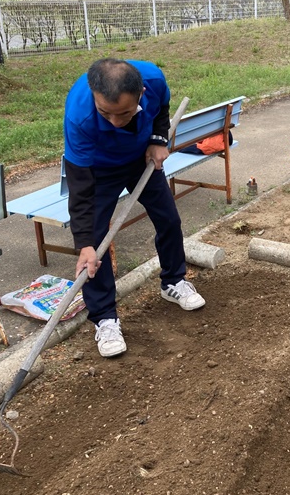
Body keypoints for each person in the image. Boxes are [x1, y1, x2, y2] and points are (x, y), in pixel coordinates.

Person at [63, 58, 205, 358]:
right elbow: (80, 186)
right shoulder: (79, 115)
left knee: (168, 218)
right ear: (93, 95)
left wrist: (157, 139)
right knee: (97, 246)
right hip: (98, 170)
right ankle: (104, 317)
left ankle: (173, 281)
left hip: (141, 159)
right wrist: (84, 243)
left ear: (141, 93)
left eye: (124, 113)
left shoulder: (153, 78)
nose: (115, 121)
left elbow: (163, 109)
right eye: (106, 113)